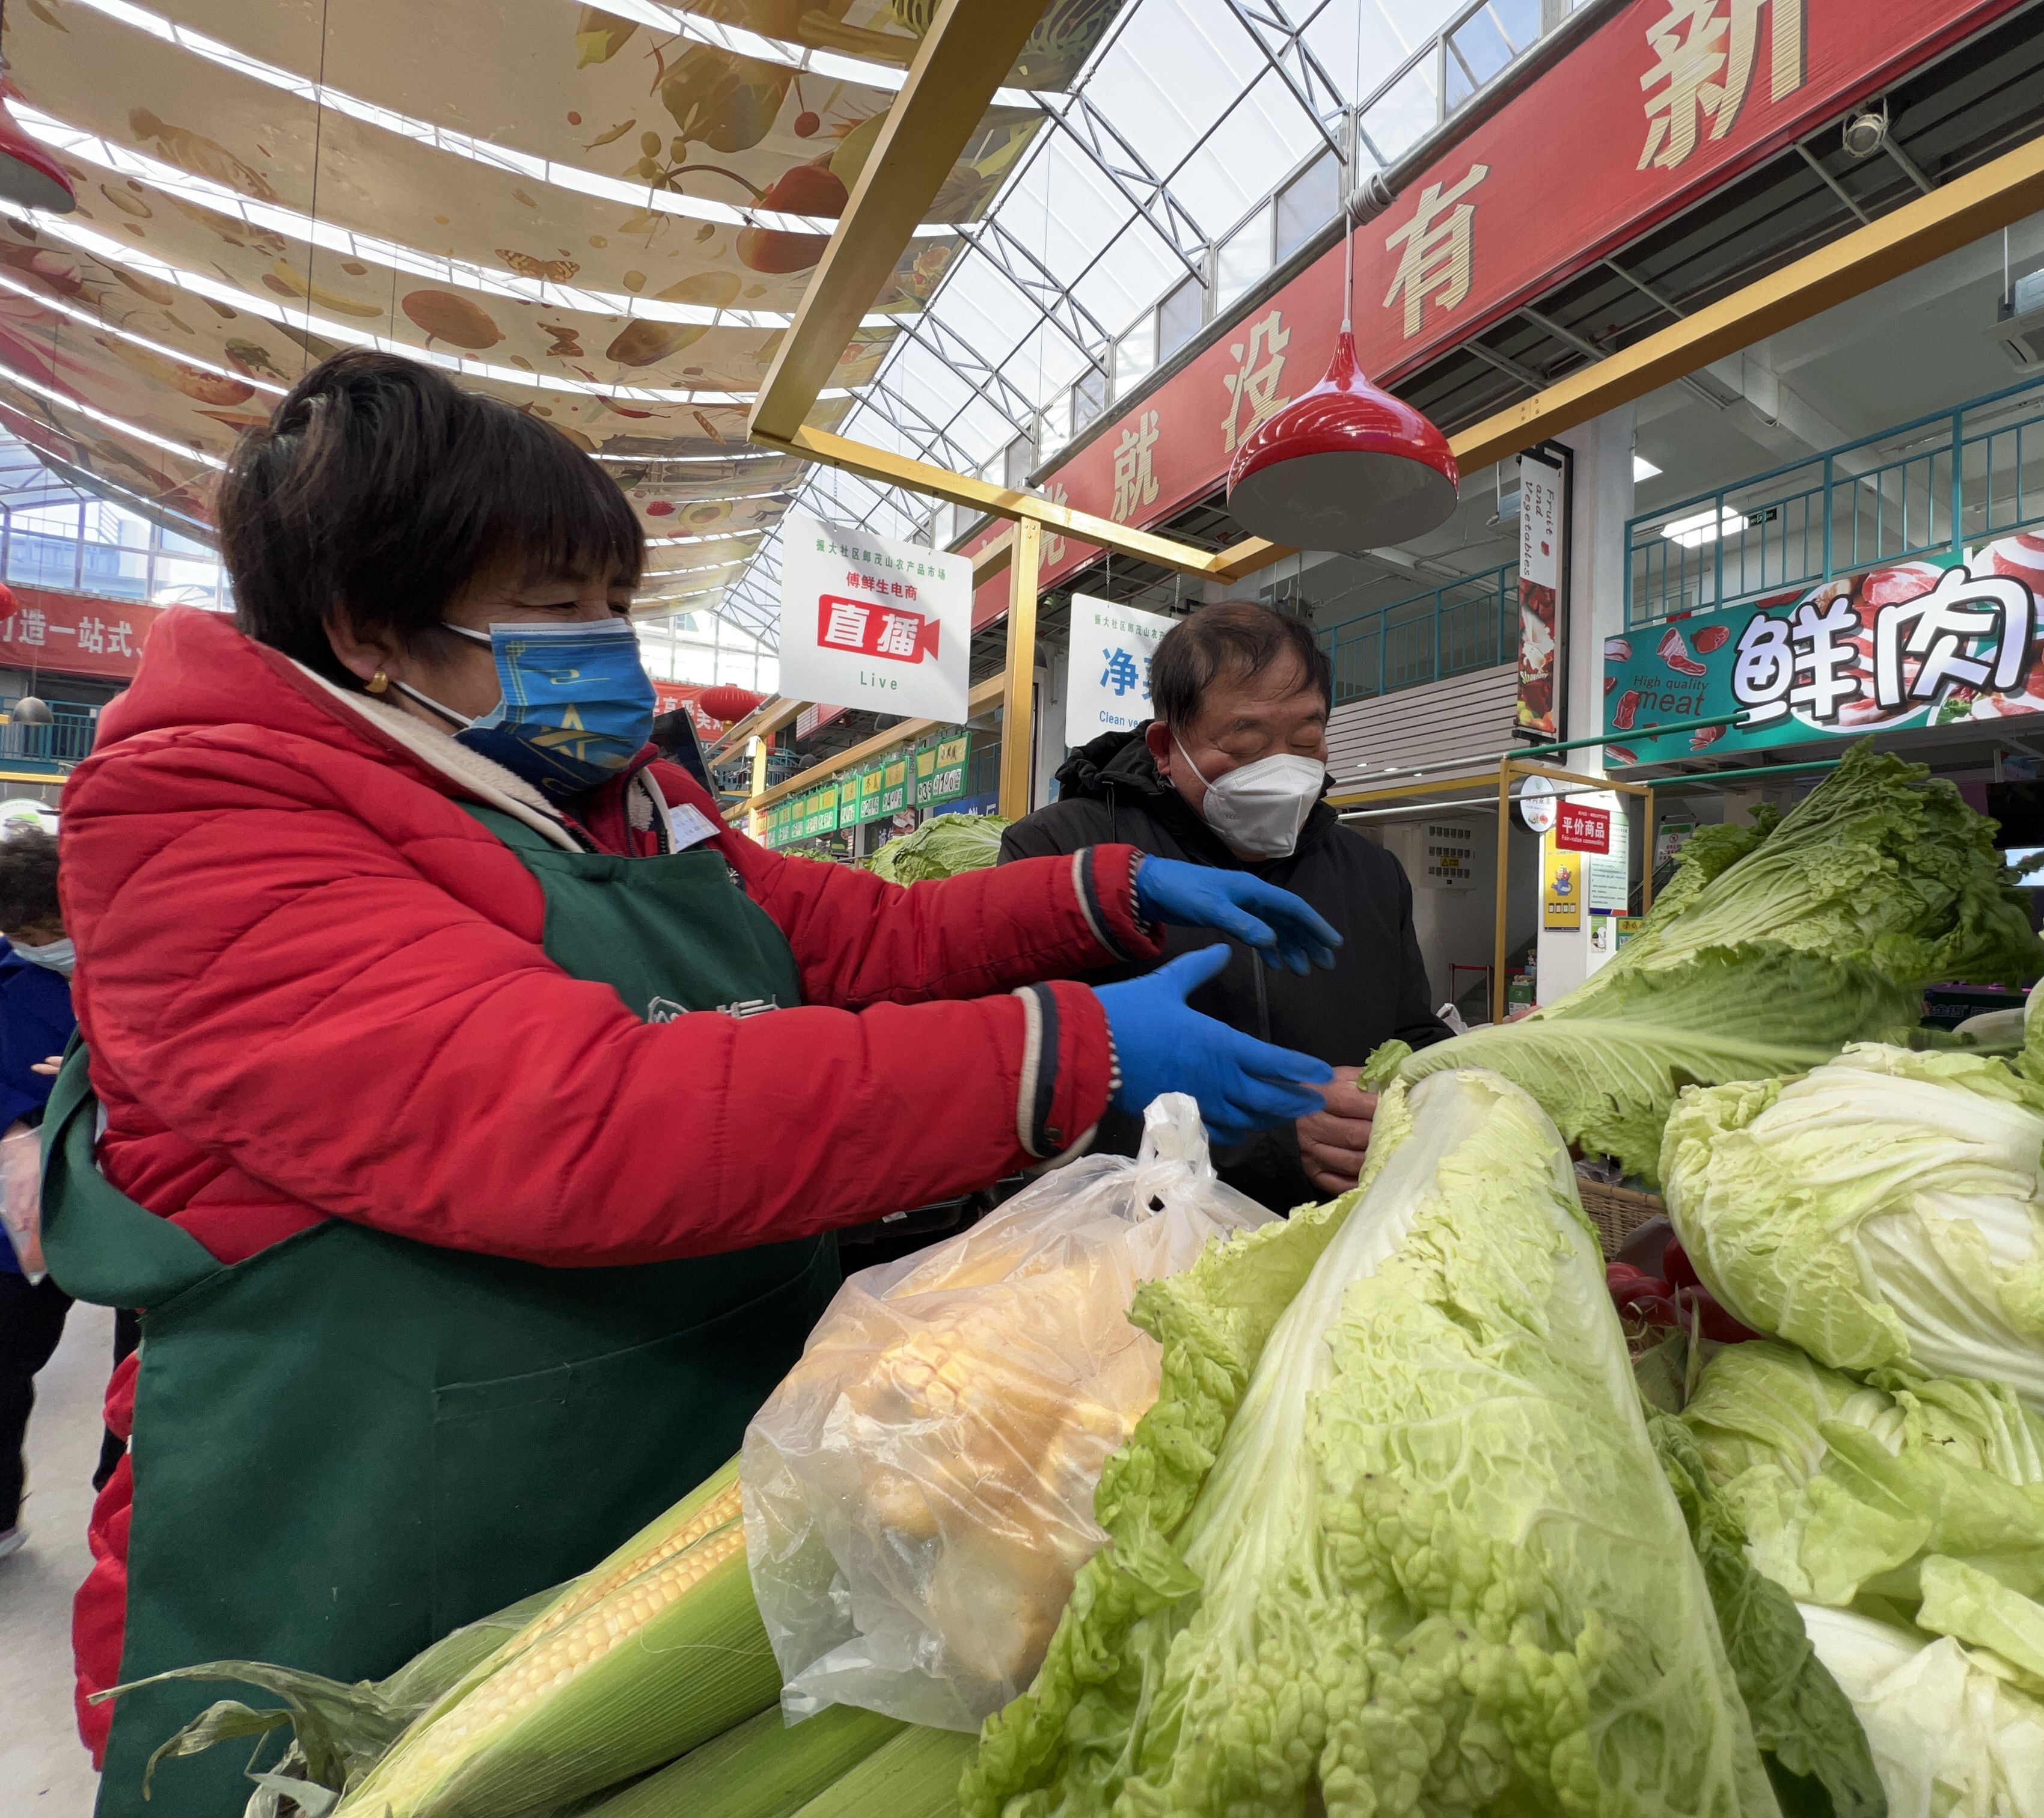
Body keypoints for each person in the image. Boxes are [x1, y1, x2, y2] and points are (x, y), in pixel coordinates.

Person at [48, 350, 1345, 1817]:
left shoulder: (613, 798)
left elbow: (854, 935)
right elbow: (575, 1119)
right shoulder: (210, 817)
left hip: (648, 1505)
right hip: (366, 1550)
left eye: (617, 604)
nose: (611, 648)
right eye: (556, 609)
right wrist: (1068, 1054)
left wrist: (1110, 892)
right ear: (368, 629)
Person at [1002, 601, 1452, 1210]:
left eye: (1305, 740)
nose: (1283, 769)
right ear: (1165, 746)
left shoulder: (1372, 873)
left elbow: (1411, 1034)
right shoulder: (1058, 851)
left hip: (1342, 1243)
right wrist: (1268, 1139)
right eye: (1245, 744)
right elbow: (1026, 1076)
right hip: (1134, 1245)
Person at [0, 824, 78, 1559]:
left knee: (148, 1372)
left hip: (140, 1198)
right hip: (21, 1217)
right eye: (21, 933)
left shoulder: (145, 968)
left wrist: (95, 1075)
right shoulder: (10, 980)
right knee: (4, 1364)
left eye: (51, 929)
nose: (39, 943)